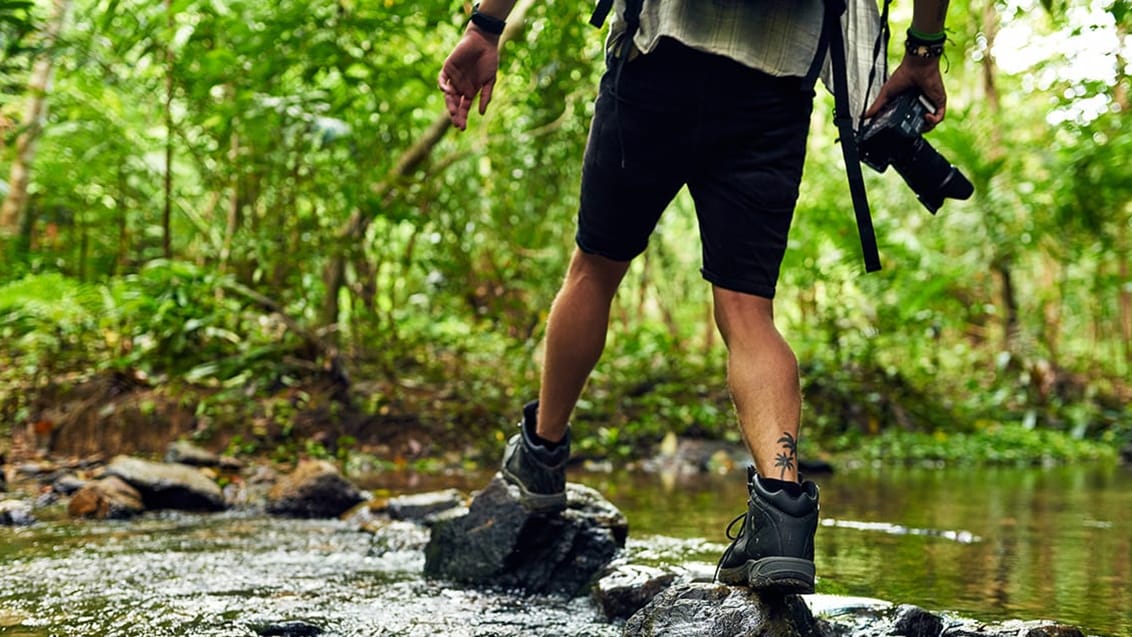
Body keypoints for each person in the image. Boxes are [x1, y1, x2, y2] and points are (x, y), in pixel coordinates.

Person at [438, 0, 951, 594]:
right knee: (748, 313)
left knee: (594, 272)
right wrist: (923, 51)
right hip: (775, 85)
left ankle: (542, 453)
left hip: (659, 61)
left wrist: (486, 24)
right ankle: (782, 516)